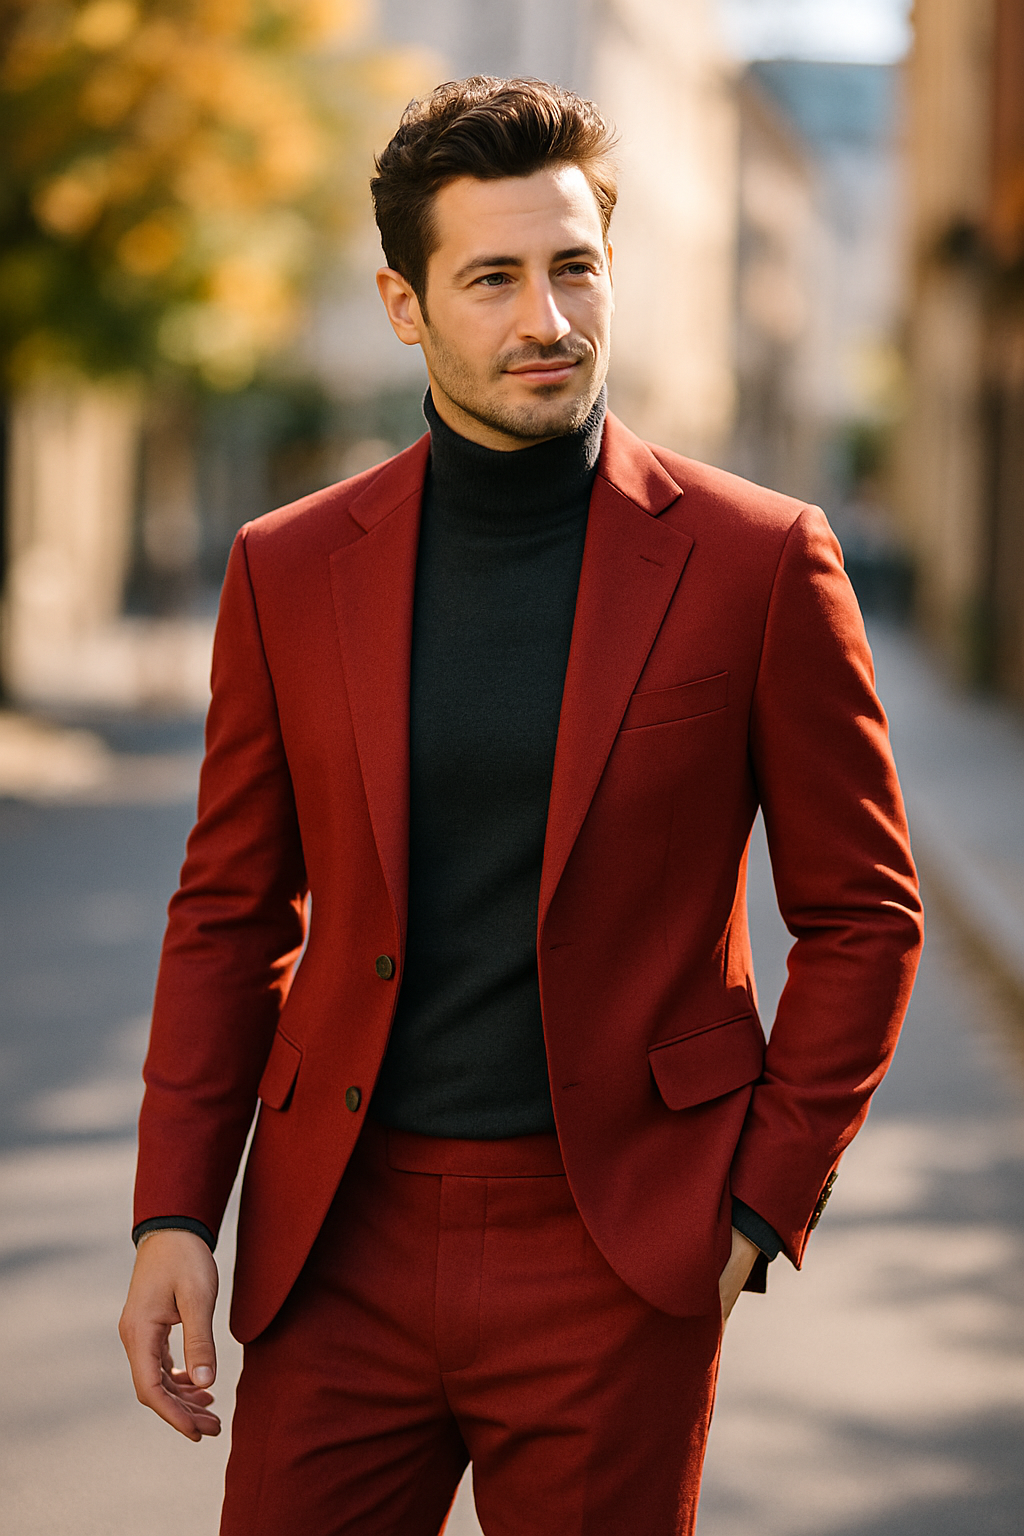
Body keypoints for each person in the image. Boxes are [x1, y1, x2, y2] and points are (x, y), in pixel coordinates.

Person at [119, 77, 924, 1535]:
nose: (546, 319)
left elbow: (864, 915)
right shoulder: (287, 571)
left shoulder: (759, 562)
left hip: (619, 1242)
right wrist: (175, 1209)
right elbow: (233, 911)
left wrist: (757, 1209)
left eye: (574, 267)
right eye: (492, 277)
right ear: (404, 303)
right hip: (338, 1238)